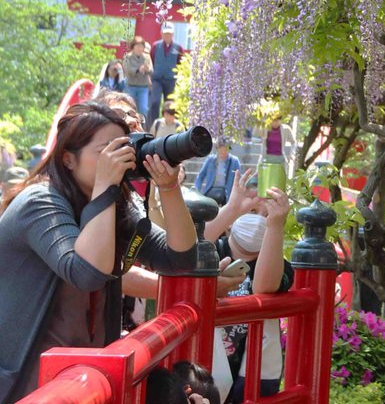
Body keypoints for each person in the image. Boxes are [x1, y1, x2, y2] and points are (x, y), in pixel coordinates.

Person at [0, 100, 197, 401]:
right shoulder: (39, 203)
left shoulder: (114, 204)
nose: (118, 159)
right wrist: (106, 188)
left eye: (123, 148)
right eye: (106, 151)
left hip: (85, 379)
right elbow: (87, 274)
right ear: (68, 159)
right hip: (27, 385)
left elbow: (179, 258)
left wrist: (169, 188)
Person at [205, 168, 292, 402]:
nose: (258, 220)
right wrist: (232, 209)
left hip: (250, 379)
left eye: (266, 215)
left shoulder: (278, 265)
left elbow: (263, 287)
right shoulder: (211, 249)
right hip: (205, 372)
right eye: (253, 211)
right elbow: (182, 254)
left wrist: (275, 226)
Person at [149, 24, 184, 124]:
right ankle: (153, 125)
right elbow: (151, 61)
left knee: (170, 104)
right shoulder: (155, 46)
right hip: (157, 79)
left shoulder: (178, 47)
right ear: (161, 34)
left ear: (173, 34)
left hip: (171, 79)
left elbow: (181, 63)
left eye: (169, 34)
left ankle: (170, 125)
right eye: (165, 34)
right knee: (154, 102)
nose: (167, 36)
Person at [194, 139, 240, 206]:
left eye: (225, 150)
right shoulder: (210, 159)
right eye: (221, 150)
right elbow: (201, 176)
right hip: (210, 192)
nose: (223, 152)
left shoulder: (234, 161)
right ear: (217, 149)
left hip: (226, 195)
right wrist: (197, 189)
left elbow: (239, 179)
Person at [122, 38, 153, 119]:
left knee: (143, 108)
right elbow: (127, 69)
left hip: (143, 86)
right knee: (129, 107)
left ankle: (142, 123)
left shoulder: (147, 57)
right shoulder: (127, 57)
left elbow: (151, 70)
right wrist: (138, 70)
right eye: (137, 46)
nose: (139, 48)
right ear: (133, 47)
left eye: (141, 46)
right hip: (130, 86)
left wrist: (147, 69)